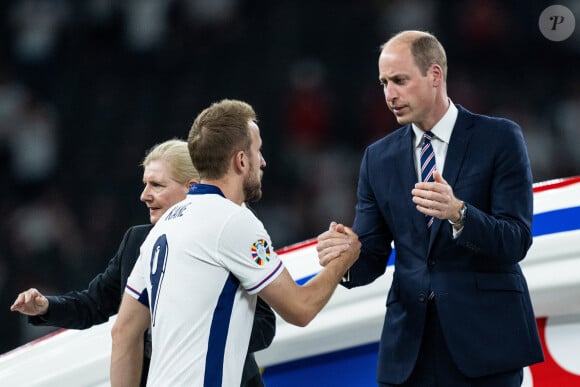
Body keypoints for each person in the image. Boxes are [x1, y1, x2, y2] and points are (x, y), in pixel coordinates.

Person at [316, 30, 543, 386]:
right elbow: (372, 257)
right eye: (384, 83)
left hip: (486, 348)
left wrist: (460, 214)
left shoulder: (499, 138)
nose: (390, 95)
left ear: (435, 75)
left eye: (400, 81)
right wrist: (344, 257)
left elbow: (516, 239)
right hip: (409, 352)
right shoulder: (377, 158)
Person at [110, 99, 360, 386]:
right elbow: (300, 308)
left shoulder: (163, 227)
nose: (263, 161)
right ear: (241, 160)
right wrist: (344, 257)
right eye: (257, 150)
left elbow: (124, 332)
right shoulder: (233, 220)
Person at [10, 139, 276, 387]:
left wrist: (195, 335)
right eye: (145, 184)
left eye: (157, 185)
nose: (144, 195)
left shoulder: (229, 237)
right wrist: (46, 307)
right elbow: (95, 303)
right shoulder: (137, 242)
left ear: (192, 187)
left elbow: (264, 325)